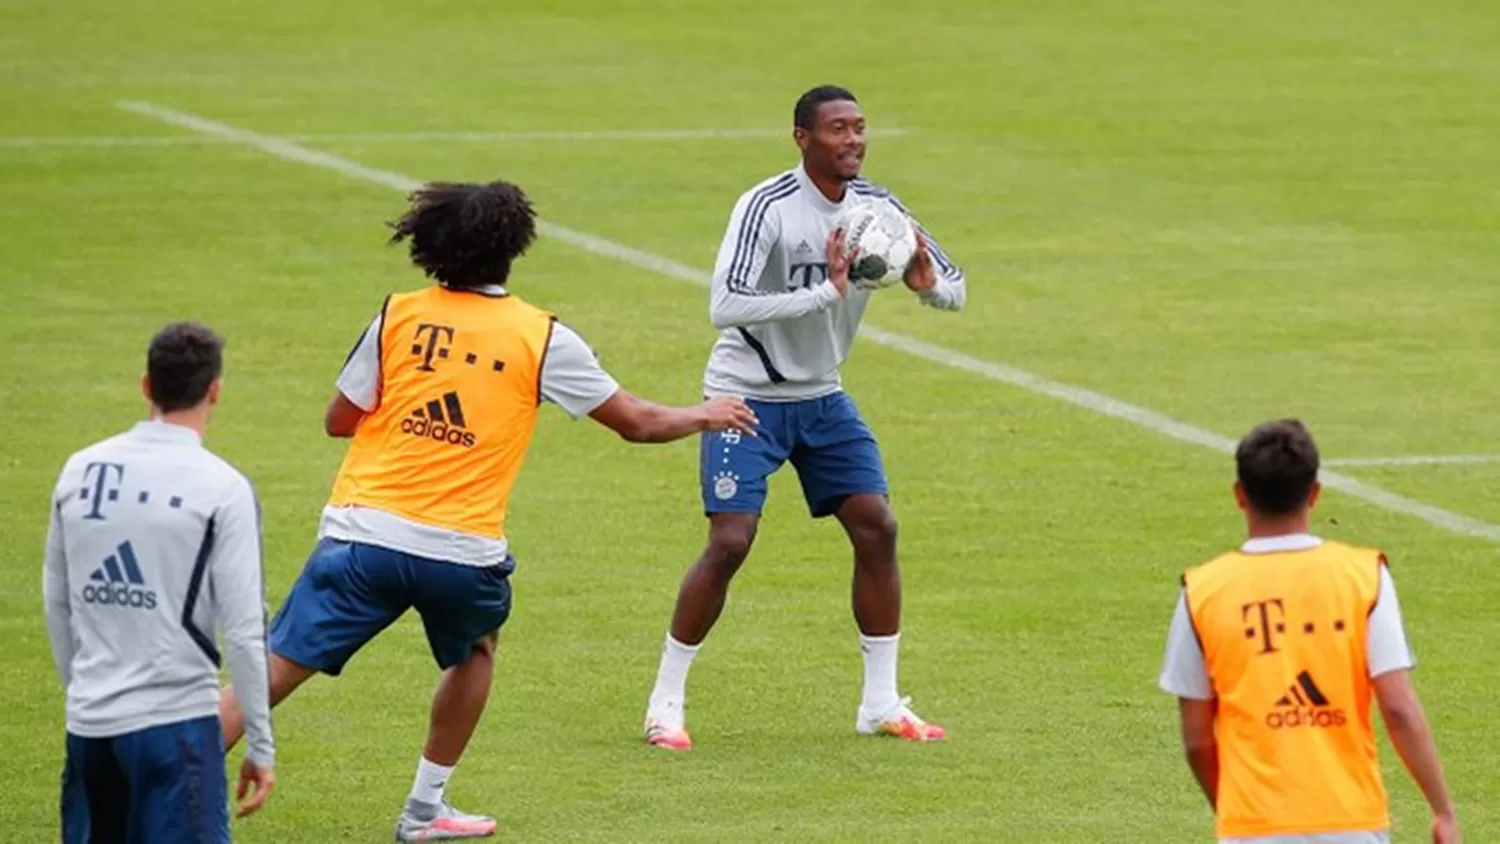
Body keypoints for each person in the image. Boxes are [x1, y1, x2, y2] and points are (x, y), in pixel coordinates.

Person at [216, 179, 757, 842]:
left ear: (432, 246)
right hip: (460, 553)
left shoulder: (398, 316)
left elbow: (339, 420)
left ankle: (158, 792)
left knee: (275, 668)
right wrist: (705, 413)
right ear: (515, 248)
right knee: (473, 651)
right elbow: (637, 424)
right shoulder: (543, 337)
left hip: (364, 534)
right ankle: (423, 811)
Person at [640, 84, 968, 751]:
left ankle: (880, 702)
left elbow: (955, 288)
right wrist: (828, 291)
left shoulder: (881, 211)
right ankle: (665, 703)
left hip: (821, 397)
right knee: (731, 541)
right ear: (802, 139)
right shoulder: (766, 207)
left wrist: (927, 286)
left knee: (877, 527)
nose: (852, 140)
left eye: (860, 128)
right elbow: (725, 305)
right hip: (745, 396)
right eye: (837, 130)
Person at [1158, 419, 1461, 844]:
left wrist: (1235, 810)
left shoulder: (1203, 591)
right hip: (1352, 822)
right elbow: (1398, 708)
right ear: (1315, 493)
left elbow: (1196, 740)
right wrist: (1442, 810)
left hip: (1253, 826)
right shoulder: (1364, 577)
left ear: (1239, 495)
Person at [43, 322, 276, 843]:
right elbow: (243, 630)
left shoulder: (79, 471)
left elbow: (57, 602)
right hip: (178, 730)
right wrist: (260, 743)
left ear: (146, 385)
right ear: (216, 389)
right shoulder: (222, 487)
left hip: (91, 727)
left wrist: (83, 693)